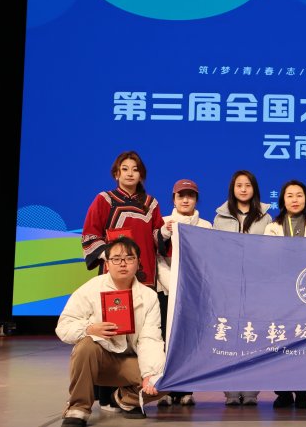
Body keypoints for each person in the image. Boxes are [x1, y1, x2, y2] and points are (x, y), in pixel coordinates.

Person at [81, 151, 165, 411]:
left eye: (135, 169)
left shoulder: (150, 204)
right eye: (124, 169)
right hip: (114, 280)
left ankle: (130, 394)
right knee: (113, 333)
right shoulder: (104, 200)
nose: (130, 173)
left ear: (142, 175)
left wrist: (166, 232)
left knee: (143, 336)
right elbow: (90, 235)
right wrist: (113, 257)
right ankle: (107, 396)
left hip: (144, 280)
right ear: (116, 173)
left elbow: (157, 238)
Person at [57, 237, 168, 427]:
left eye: (129, 258)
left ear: (138, 263)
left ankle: (125, 399)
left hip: (130, 362)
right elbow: (64, 326)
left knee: (166, 379)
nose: (123, 264)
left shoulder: (148, 296)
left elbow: (150, 339)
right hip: (98, 362)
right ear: (107, 264)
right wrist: (89, 329)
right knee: (86, 345)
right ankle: (78, 408)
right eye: (116, 259)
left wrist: (150, 374)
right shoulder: (92, 288)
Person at [213, 170, 272, 405]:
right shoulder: (220, 218)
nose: (244, 189)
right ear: (233, 189)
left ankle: (250, 391)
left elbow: (271, 252)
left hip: (257, 286)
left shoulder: (266, 218)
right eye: (239, 185)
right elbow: (214, 250)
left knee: (252, 336)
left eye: (248, 185)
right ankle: (230, 390)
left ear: (254, 189)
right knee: (230, 336)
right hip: (228, 285)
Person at [264, 180, 306, 408]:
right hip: (281, 292)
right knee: (281, 341)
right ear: (282, 200)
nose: (295, 199)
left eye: (299, 195)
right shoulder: (272, 227)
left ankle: (303, 393)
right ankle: (284, 392)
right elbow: (268, 258)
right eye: (290, 195)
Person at [154, 179, 211, 406]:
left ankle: (186, 389)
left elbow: (208, 261)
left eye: (190, 196)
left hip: (194, 293)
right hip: (168, 292)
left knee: (189, 340)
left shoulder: (206, 226)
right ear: (174, 199)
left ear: (196, 199)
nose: (185, 200)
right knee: (166, 339)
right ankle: (166, 390)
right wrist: (175, 285)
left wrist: (192, 286)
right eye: (181, 196)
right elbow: (156, 258)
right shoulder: (163, 223)